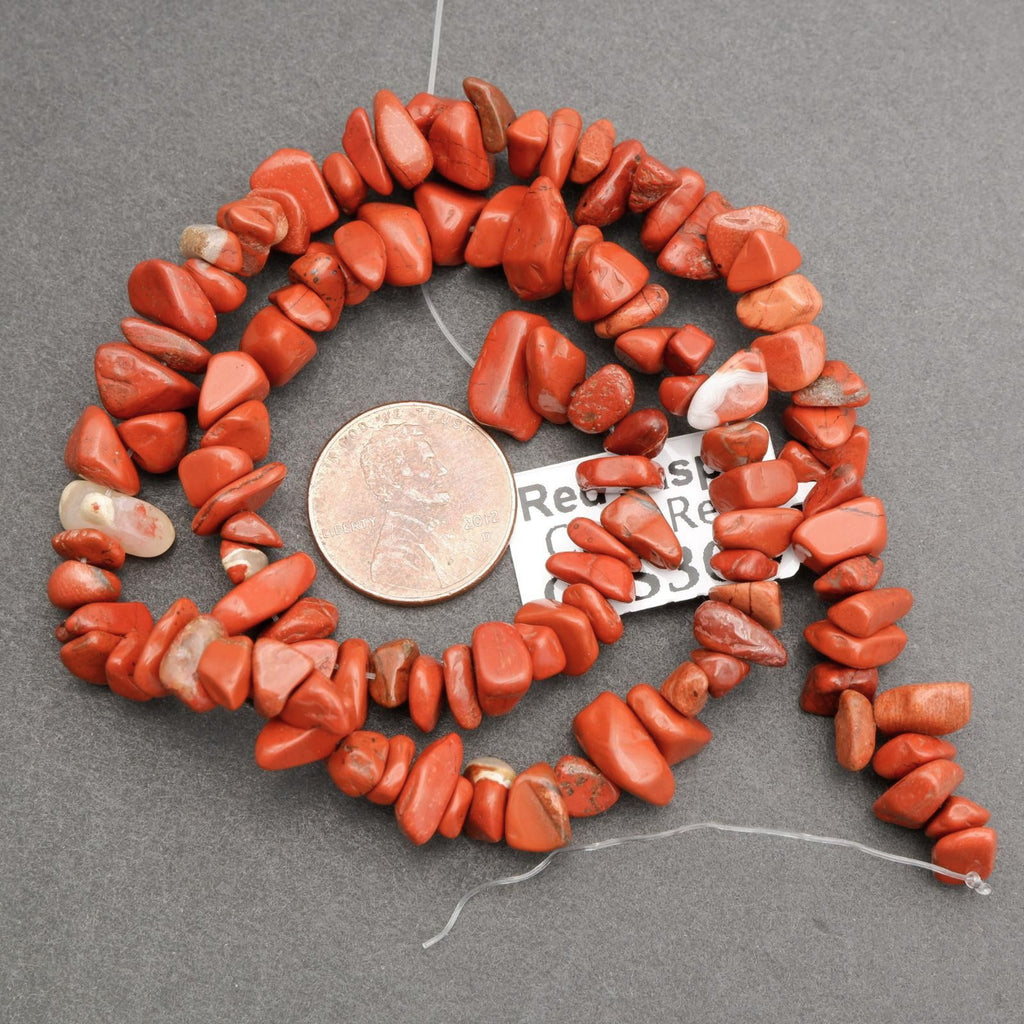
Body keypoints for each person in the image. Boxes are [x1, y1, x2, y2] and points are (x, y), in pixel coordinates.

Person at [358, 422, 464, 592]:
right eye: (427, 463)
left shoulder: (428, 535)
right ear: (393, 477)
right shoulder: (394, 561)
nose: (442, 470)